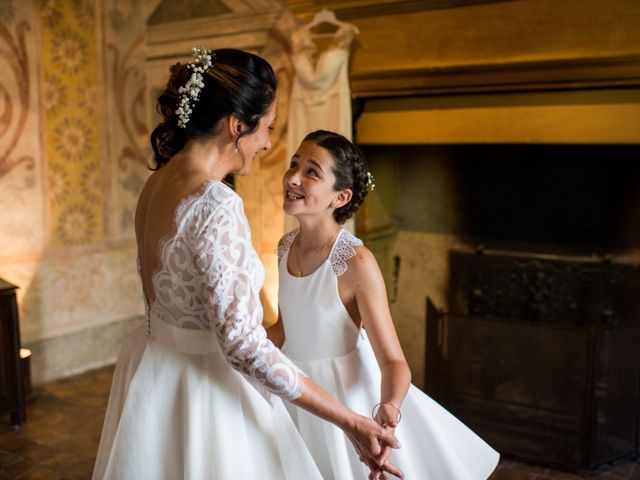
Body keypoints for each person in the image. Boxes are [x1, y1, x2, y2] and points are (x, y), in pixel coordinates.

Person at [92, 48, 402, 480]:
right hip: (204, 394)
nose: (269, 143)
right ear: (237, 125)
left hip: (155, 372)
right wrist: (350, 421)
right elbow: (243, 344)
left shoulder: (157, 182)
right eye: (267, 128)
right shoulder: (216, 204)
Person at [268, 130, 501, 479]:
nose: (293, 178)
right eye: (294, 165)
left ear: (341, 196)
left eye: (312, 172)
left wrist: (389, 408)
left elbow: (393, 360)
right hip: (296, 395)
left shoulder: (356, 263)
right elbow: (283, 331)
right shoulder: (284, 247)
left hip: (346, 398)